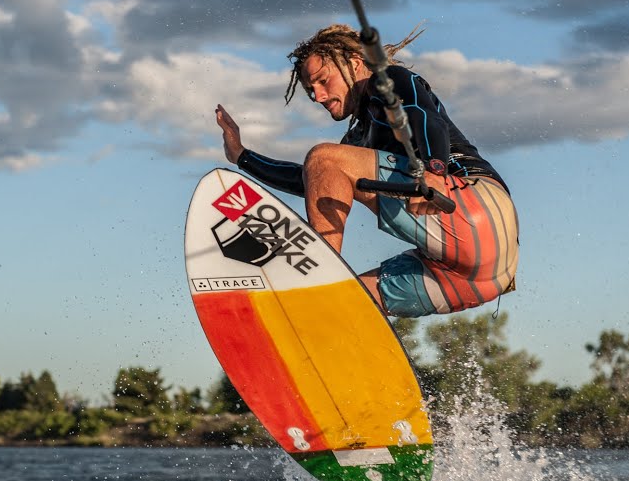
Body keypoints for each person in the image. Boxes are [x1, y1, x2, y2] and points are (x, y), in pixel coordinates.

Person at [214, 23, 519, 318]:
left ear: (355, 63)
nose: (318, 96)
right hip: (472, 279)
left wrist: (434, 170)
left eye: (323, 80)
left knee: (324, 159)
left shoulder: (390, 81)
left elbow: (422, 116)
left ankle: (318, 273)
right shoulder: (358, 141)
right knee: (340, 307)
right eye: (310, 90)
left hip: (474, 210)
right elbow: (310, 181)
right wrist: (242, 156)